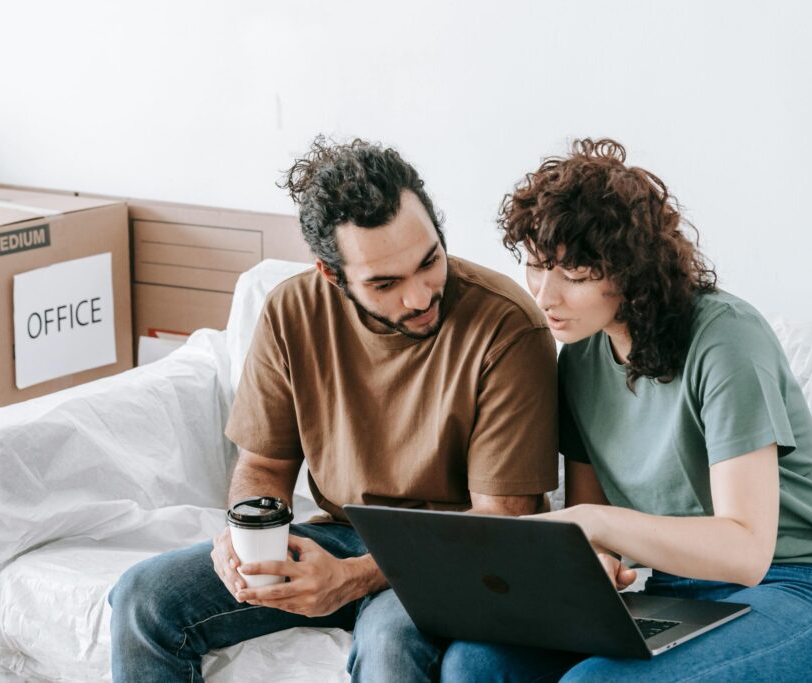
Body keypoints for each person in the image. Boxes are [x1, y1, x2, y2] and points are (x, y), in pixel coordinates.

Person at [107, 137, 562, 682]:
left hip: (453, 557)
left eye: (430, 261)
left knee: (391, 645)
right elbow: (264, 467)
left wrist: (355, 578)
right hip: (342, 531)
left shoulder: (506, 326)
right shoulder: (291, 311)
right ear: (332, 275)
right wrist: (248, 538)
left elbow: (503, 518)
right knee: (142, 599)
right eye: (385, 283)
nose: (419, 296)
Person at [442, 138, 812, 682]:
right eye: (536, 267)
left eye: (575, 276)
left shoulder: (725, 340)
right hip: (679, 593)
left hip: (805, 587)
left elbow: (746, 551)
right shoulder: (580, 358)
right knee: (474, 663)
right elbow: (597, 539)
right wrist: (592, 566)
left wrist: (592, 523)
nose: (545, 296)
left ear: (632, 270)